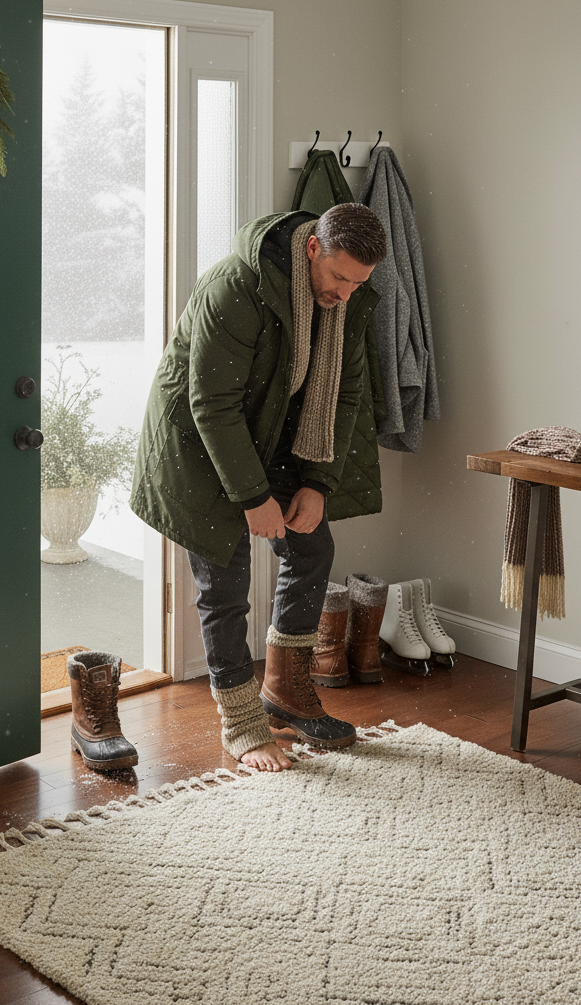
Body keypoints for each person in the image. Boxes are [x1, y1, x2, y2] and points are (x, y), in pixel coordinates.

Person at [130, 203, 388, 772]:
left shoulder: (344, 304)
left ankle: (285, 689)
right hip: (197, 443)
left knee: (312, 545)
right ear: (313, 249)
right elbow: (212, 405)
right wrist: (252, 499)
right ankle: (241, 723)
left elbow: (345, 396)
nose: (346, 294)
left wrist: (318, 483)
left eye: (359, 283)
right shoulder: (236, 286)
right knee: (225, 579)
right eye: (340, 277)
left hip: (266, 434)